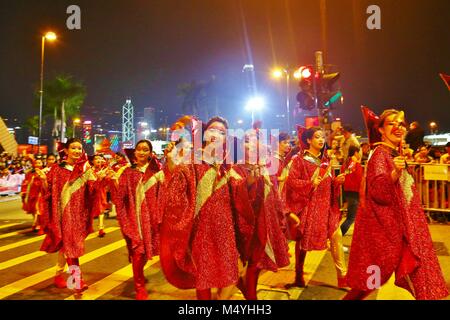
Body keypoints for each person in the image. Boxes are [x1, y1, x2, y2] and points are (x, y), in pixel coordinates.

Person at [344, 108, 448, 300]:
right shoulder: (380, 154)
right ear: (381, 130)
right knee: (370, 283)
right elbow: (378, 192)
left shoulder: (392, 153)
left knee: (387, 281)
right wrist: (394, 174)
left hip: (405, 230)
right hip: (390, 233)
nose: (398, 127)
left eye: (401, 123)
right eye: (391, 123)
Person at [160, 117, 241, 300]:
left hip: (225, 230)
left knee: (230, 273)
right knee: (202, 277)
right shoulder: (192, 161)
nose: (217, 135)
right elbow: (176, 192)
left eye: (222, 132)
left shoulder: (228, 166)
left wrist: (252, 179)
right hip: (201, 231)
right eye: (212, 130)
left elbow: (239, 197)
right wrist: (173, 166)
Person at [282, 127, 348, 289]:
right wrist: (310, 184)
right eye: (317, 137)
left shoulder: (326, 161)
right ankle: (299, 275)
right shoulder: (299, 160)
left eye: (323, 137)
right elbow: (291, 182)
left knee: (336, 236)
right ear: (309, 140)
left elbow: (328, 184)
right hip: (309, 207)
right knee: (302, 243)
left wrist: (337, 182)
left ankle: (342, 277)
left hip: (326, 208)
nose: (321, 140)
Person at [37, 138, 101, 292]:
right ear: (66, 151)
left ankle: (59, 275)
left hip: (78, 215)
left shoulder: (85, 170)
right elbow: (49, 192)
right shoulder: (57, 169)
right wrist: (44, 181)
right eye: (73, 148)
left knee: (67, 247)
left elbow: (93, 191)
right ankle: (77, 281)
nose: (77, 151)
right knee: (70, 248)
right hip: (61, 215)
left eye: (80, 148)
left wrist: (101, 179)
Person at [112, 140, 163, 300]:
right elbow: (120, 198)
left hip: (152, 220)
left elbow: (163, 195)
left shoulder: (157, 172)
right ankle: (139, 285)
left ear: (150, 153)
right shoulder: (128, 172)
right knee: (138, 252)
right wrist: (110, 183)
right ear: (134, 153)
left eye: (145, 150)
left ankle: (138, 272)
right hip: (134, 220)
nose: (141, 152)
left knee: (148, 252)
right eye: (139, 149)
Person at [340, 145, 363, 237]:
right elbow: (359, 178)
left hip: (347, 191)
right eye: (359, 152)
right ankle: (339, 235)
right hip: (355, 192)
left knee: (355, 216)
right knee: (351, 218)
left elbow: (344, 174)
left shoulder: (346, 162)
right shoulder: (355, 164)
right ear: (356, 152)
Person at [21, 158, 44, 234]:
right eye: (36, 163)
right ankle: (37, 223)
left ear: (42, 163)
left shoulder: (45, 172)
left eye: (39, 163)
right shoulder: (30, 173)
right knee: (33, 210)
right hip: (32, 194)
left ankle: (39, 225)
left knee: (39, 209)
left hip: (41, 193)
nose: (37, 164)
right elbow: (25, 182)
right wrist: (23, 191)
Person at [90, 154, 110, 237]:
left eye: (100, 159)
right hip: (91, 192)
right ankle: (88, 227)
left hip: (101, 192)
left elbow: (107, 181)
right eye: (96, 159)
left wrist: (105, 178)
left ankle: (101, 228)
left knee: (101, 209)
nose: (98, 160)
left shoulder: (104, 170)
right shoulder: (90, 171)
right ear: (92, 161)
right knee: (89, 210)